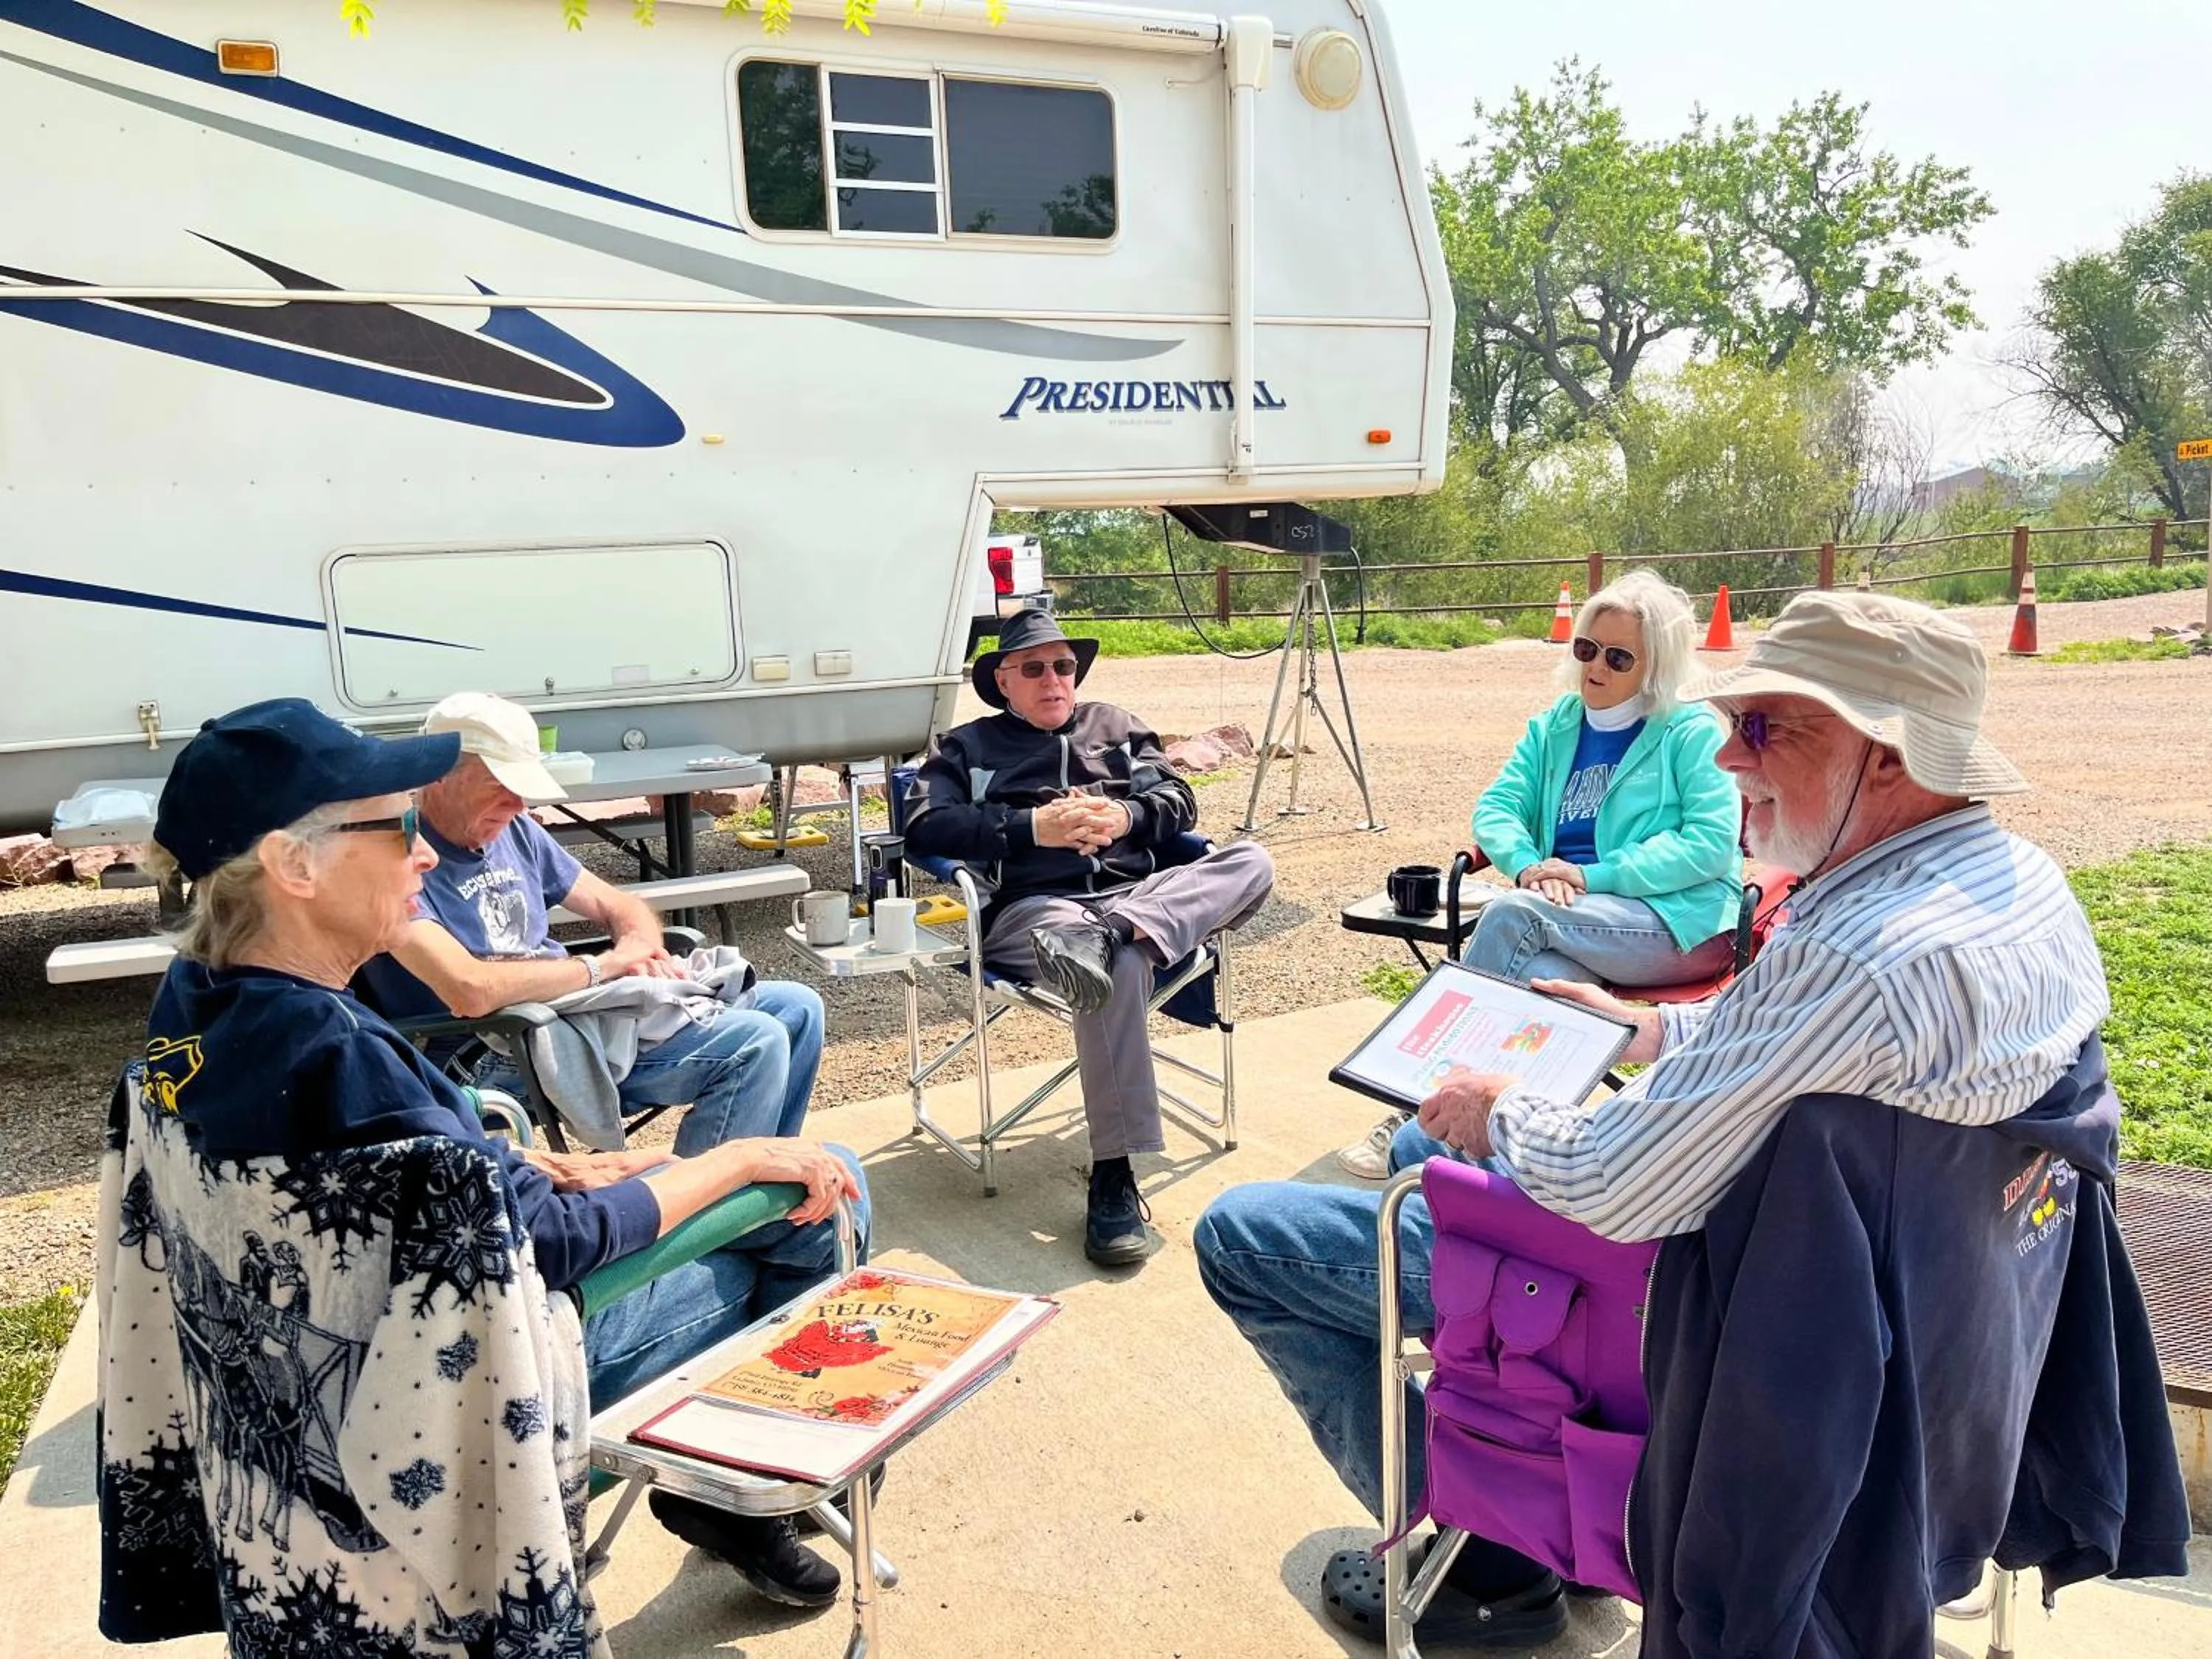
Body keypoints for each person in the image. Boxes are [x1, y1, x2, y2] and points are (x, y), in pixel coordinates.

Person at [1196, 591, 2111, 1649]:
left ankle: (1489, 1553)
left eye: (1765, 727)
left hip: (1725, 1323)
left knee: (1245, 1232)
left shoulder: (1855, 956)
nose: (1727, 759)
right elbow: (1807, 1039)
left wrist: (1504, 1109)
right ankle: (1494, 1511)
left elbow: (1615, 1189)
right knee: (1418, 1140)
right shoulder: (2018, 883)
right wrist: (1643, 1031)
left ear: (1892, 757)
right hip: (1948, 1336)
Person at [144, 698, 871, 1610]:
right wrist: (731, 1165)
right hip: (469, 1403)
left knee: (741, 1145)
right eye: (397, 825)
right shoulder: (342, 1057)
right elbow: (550, 1247)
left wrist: (546, 1163)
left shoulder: (199, 1009)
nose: (420, 853)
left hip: (308, 1398)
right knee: (827, 1195)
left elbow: (407, 1179)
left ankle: (734, 1486)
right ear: (294, 866)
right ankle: (733, 1488)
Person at [1338, 569, 1743, 1179]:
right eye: (1586, 649)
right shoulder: (1556, 725)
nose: (1595, 667)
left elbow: (1710, 846)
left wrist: (1589, 878)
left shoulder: (1689, 730)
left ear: (1655, 665)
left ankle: (1416, 1105)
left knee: (1512, 914)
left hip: (1678, 925)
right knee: (1541, 988)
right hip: (1567, 921)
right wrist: (1530, 867)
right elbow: (1496, 809)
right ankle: (1490, 1163)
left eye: (1618, 656)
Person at [902, 608, 1275, 1267]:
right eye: (1035, 668)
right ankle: (1113, 1175)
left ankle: (1116, 932)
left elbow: (1180, 802)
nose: (1054, 679)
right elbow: (926, 828)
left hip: (1136, 898)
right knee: (1122, 969)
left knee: (1251, 861)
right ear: (1004, 681)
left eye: (1064, 666)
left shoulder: (1118, 727)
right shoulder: (967, 747)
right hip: (1038, 913)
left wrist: (1128, 813)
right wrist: (1028, 829)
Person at [359, 691, 824, 1159]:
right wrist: (604, 968)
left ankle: (762, 1200)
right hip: (491, 1049)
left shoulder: (514, 828)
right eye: (500, 784)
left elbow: (620, 904)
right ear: (440, 775)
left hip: (567, 1016)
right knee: (754, 1045)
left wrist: (643, 951)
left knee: (799, 1009)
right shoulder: (396, 858)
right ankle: (688, 1212)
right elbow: (470, 989)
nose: (518, 803)